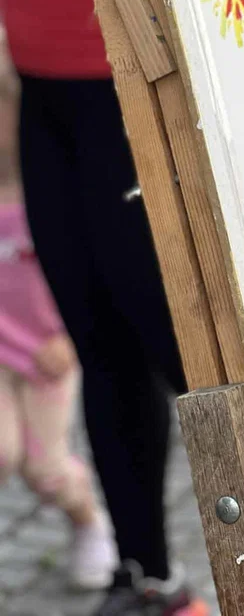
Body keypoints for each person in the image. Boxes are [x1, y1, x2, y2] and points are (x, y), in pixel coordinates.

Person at [0, 0, 244, 613]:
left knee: (180, 340)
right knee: (97, 337)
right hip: (46, 79)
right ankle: (147, 577)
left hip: (143, 76)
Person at [0, 51, 118, 591]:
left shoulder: (44, 186)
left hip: (47, 350)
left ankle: (89, 519)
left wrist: (68, 335)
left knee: (45, 469)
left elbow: (80, 266)